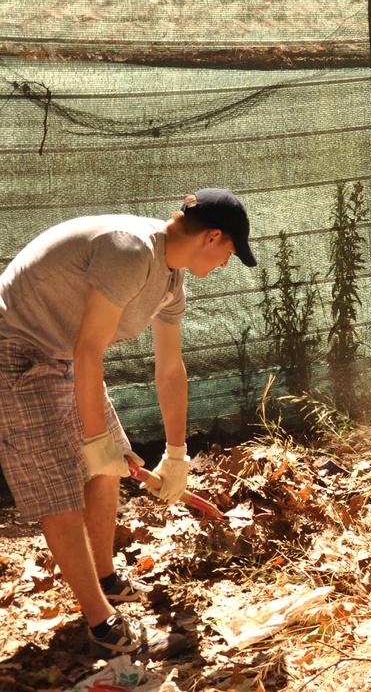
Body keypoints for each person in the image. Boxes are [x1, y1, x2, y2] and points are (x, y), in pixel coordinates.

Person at [0, 188, 256, 660]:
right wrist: (93, 439)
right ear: (213, 236)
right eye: (230, 254)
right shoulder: (130, 248)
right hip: (12, 348)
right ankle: (100, 622)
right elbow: (89, 349)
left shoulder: (171, 281)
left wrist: (176, 456)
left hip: (57, 353)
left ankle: (105, 577)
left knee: (107, 467)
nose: (226, 264)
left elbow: (171, 370)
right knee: (59, 486)